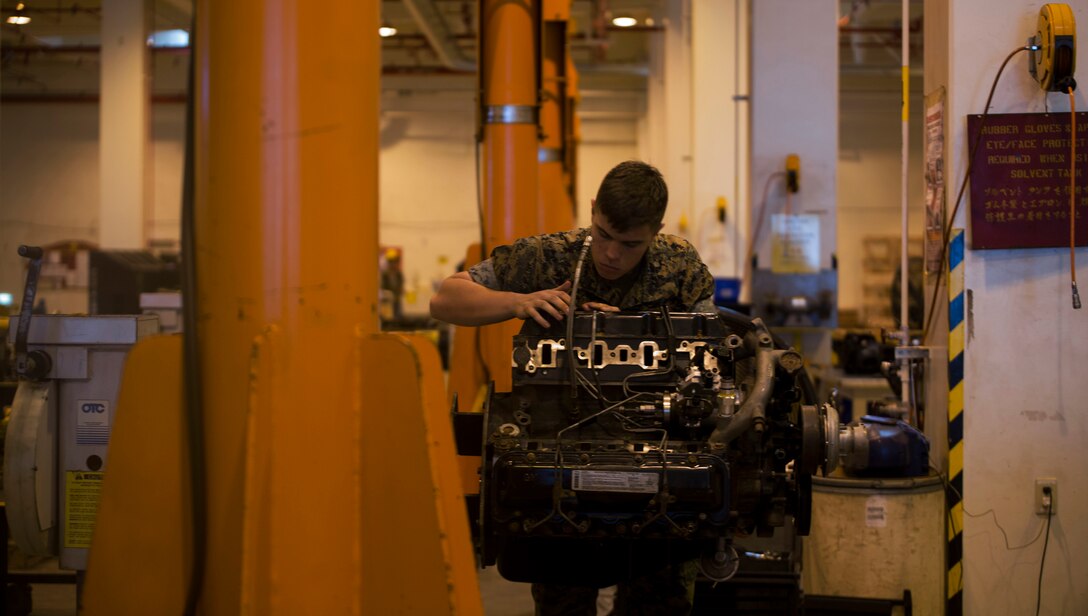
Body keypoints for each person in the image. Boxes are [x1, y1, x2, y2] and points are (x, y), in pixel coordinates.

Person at [430, 160, 715, 615]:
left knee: (660, 602)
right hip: (558, 464)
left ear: (656, 231)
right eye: (602, 234)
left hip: (659, 465)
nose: (611, 255)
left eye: (630, 244)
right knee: (562, 602)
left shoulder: (678, 266)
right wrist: (518, 301)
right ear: (592, 211)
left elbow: (710, 350)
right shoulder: (547, 257)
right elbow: (445, 298)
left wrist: (632, 329)